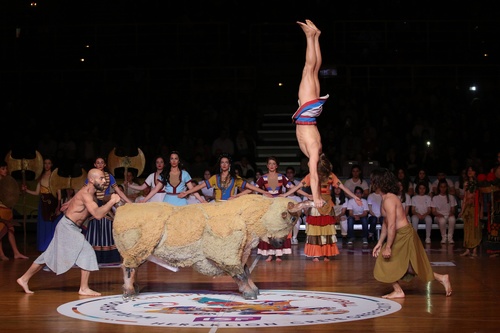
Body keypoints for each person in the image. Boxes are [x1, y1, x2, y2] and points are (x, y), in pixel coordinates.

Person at [16, 168, 122, 296]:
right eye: (101, 178)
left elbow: (87, 200)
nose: (105, 181)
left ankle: (23, 279)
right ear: (92, 180)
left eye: (105, 178)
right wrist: (111, 201)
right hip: (68, 227)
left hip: (68, 226)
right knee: (87, 251)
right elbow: (98, 215)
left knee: (48, 256)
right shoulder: (86, 194)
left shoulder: (89, 193)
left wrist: (71, 202)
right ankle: (83, 288)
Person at [370, 168, 452, 299]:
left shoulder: (389, 200)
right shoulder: (385, 198)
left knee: (384, 260)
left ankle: (398, 290)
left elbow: (391, 225)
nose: (372, 184)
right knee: (410, 267)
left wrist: (388, 247)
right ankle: (441, 278)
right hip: (401, 234)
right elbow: (386, 224)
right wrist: (380, 243)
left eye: (374, 181)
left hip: (404, 235)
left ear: (379, 183)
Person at [281, 154, 361, 261]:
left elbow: (342, 186)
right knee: (315, 229)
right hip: (316, 203)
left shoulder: (331, 176)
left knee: (327, 230)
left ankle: (326, 254)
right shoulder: (311, 176)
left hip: (327, 204)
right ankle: (316, 254)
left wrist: (355, 197)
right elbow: (298, 186)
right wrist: (285, 195)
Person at [292, 19, 329, 209]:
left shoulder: (318, 148)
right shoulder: (314, 151)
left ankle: (316, 36)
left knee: (314, 71)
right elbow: (313, 176)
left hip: (311, 113)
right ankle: (310, 36)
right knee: (308, 70)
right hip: (307, 112)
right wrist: (316, 197)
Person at [84, 156, 132, 263]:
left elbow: (118, 191)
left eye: (102, 163)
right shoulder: (90, 177)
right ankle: (92, 257)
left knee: (107, 227)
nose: (100, 165)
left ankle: (109, 258)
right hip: (94, 204)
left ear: (105, 165)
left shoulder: (109, 177)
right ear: (95, 165)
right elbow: (84, 192)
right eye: (98, 163)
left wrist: (129, 202)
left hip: (106, 203)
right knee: (94, 228)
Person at [178, 153, 273, 202]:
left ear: (229, 165)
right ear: (220, 165)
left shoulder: (235, 178)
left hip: (230, 205)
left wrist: (264, 192)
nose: (224, 164)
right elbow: (199, 186)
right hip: (217, 205)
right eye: (222, 162)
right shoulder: (215, 177)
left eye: (226, 162)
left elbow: (250, 188)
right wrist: (186, 192)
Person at [255, 156, 295, 262]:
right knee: (269, 230)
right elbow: (253, 189)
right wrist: (263, 193)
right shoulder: (262, 178)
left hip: (279, 206)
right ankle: (270, 254)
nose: (272, 166)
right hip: (268, 206)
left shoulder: (282, 177)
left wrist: (286, 194)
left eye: (274, 163)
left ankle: (278, 254)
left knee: (279, 229)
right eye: (270, 163)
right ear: (267, 165)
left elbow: (293, 187)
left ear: (276, 166)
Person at [138, 151, 205, 205]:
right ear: (169, 161)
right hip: (167, 202)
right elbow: (155, 189)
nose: (174, 160)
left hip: (181, 201)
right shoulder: (165, 173)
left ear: (179, 161)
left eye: (176, 158)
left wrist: (202, 201)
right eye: (172, 158)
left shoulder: (184, 174)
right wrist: (144, 200)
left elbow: (192, 189)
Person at [21, 157, 59, 252]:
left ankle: (52, 247)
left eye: (49, 163)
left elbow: (59, 192)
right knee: (44, 224)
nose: (47, 165)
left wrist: (58, 206)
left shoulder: (55, 176)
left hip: (53, 202)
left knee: (52, 225)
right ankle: (44, 246)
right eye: (45, 163)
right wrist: (26, 190)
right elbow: (37, 192)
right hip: (43, 203)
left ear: (52, 164)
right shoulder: (41, 177)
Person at [0, 161, 28, 260]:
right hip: (1, 209)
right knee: (1, 231)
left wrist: (21, 190)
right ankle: (1, 254)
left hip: (8, 209)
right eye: (3, 168)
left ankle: (16, 253)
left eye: (6, 168)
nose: (5, 170)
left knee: (11, 230)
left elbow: (12, 196)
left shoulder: (8, 181)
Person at [459, 165, 482, 257]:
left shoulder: (479, 184)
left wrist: (480, 211)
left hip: (475, 208)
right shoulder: (466, 183)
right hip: (468, 208)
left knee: (475, 228)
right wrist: (462, 210)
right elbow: (465, 198)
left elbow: (480, 199)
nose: (470, 172)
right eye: (469, 170)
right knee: (467, 228)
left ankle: (475, 250)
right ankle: (468, 249)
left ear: (475, 172)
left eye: (472, 170)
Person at [431, 179, 457, 244]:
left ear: (447, 187)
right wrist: (438, 214)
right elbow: (433, 211)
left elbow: (453, 209)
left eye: (444, 187)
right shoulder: (435, 198)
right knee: (442, 220)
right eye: (441, 187)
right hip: (439, 216)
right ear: (439, 188)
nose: (443, 189)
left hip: (448, 214)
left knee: (452, 219)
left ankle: (450, 237)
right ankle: (444, 237)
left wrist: (451, 213)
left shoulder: (451, 197)